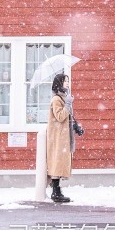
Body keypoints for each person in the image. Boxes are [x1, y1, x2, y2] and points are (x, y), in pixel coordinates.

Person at [47, 72, 75, 203]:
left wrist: (76, 126)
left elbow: (68, 118)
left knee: (60, 162)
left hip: (63, 136)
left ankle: (57, 190)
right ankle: (56, 192)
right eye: (65, 81)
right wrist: (68, 104)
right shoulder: (56, 99)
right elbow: (60, 116)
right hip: (58, 137)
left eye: (68, 81)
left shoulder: (63, 98)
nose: (68, 83)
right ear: (60, 83)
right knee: (57, 162)